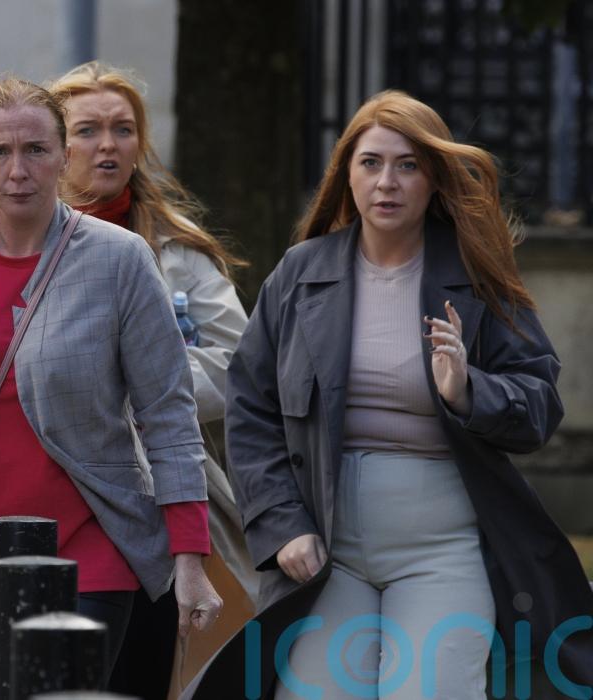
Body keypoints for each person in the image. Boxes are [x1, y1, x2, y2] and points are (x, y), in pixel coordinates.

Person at [194, 90, 593, 698]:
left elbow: (538, 404)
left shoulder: (477, 275)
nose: (388, 182)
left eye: (408, 165)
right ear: (347, 176)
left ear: (433, 180)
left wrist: (468, 390)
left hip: (443, 550)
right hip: (326, 552)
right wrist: (281, 523)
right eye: (371, 163)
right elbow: (252, 406)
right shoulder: (301, 273)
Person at [0, 75, 223, 699]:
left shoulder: (120, 258)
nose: (18, 171)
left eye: (36, 150)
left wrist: (190, 556)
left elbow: (168, 412)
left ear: (64, 156)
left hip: (92, 545)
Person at [48, 60, 259, 698]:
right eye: (87, 131)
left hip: (155, 492)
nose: (107, 145)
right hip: (34, 488)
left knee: (147, 663)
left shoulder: (178, 251)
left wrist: (135, 388)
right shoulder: (5, 240)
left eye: (123, 129)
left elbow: (240, 362)